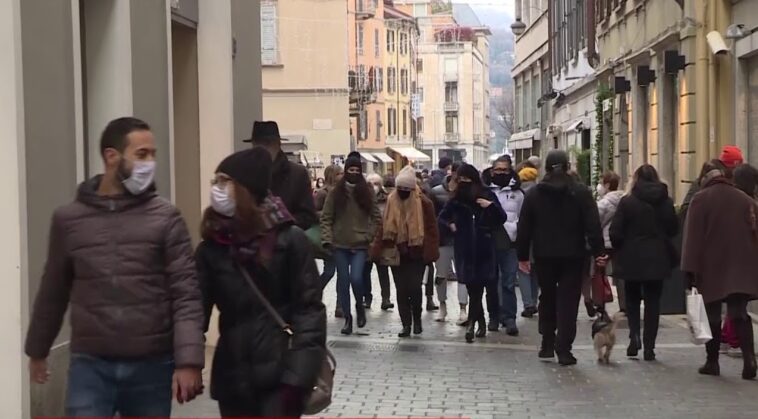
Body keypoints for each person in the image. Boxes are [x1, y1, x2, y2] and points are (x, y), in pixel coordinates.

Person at [24, 117, 204, 416]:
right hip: (91, 365)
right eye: (142, 154)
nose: (150, 163)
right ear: (111, 157)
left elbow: (186, 293)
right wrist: (37, 351)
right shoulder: (69, 220)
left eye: (153, 155)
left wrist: (188, 361)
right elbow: (53, 290)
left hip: (151, 365)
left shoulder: (166, 218)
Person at [197, 147, 326, 417]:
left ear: (245, 188)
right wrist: (187, 361)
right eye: (215, 181)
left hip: (281, 377)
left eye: (223, 181)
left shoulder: (290, 241)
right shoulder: (213, 246)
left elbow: (310, 311)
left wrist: (298, 379)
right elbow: (195, 308)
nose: (216, 188)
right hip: (233, 377)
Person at [517, 150, 605, 366]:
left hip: (544, 254)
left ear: (545, 168)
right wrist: (598, 251)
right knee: (568, 301)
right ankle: (564, 348)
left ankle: (547, 342)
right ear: (567, 167)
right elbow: (593, 225)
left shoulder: (535, 194)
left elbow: (524, 227)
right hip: (573, 255)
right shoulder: (581, 192)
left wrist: (522, 256)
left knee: (547, 296)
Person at [682, 159, 758, 380]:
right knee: (739, 313)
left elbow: (692, 240)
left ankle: (712, 361)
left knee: (713, 315)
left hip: (711, 267)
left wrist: (689, 270)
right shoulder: (745, 200)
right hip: (741, 265)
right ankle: (749, 360)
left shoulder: (700, 199)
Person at [609, 165, 677, 361]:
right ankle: (650, 347)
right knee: (653, 302)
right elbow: (673, 229)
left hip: (632, 257)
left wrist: (620, 247)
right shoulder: (665, 201)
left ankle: (634, 336)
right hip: (657, 257)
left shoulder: (627, 202)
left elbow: (616, 231)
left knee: (631, 300)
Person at [439, 164, 507, 343]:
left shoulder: (486, 194)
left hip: (484, 248)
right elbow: (442, 217)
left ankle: (475, 323)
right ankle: (478, 322)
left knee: (481, 287)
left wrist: (490, 206)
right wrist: (450, 225)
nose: (464, 183)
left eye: (467, 179)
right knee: (472, 289)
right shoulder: (456, 199)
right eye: (461, 179)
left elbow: (502, 217)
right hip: (465, 248)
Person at [371, 166, 440, 337]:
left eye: (406, 189)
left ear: (412, 189)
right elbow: (383, 227)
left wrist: (430, 252)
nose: (402, 192)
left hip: (417, 252)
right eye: (399, 188)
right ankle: (406, 325)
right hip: (395, 252)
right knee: (401, 290)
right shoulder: (391, 200)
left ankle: (417, 319)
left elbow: (432, 229)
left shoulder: (424, 203)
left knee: (415, 289)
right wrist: (376, 250)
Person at [320, 154, 382, 335]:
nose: (353, 173)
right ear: (346, 171)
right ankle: (348, 318)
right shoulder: (335, 193)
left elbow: (376, 218)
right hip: (339, 245)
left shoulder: (367, 191)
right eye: (350, 170)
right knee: (343, 282)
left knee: (356, 278)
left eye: (357, 170)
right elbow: (326, 217)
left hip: (360, 245)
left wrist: (368, 236)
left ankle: (360, 307)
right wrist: (327, 239)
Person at [244, 121, 317, 229]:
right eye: (259, 144)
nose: (263, 149)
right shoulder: (244, 173)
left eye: (268, 143)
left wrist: (281, 220)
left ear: (278, 144)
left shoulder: (297, 174)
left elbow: (308, 217)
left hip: (285, 241)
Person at [430, 162, 469, 323]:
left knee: (463, 275)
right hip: (443, 239)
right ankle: (442, 305)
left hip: (462, 239)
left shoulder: (467, 192)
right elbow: (433, 217)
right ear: (451, 173)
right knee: (441, 276)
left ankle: (462, 308)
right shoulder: (436, 192)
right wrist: (446, 225)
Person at [489, 156, 524, 335]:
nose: (501, 173)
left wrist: (519, 234)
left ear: (510, 171)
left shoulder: (518, 193)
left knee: (509, 281)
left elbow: (523, 216)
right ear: (492, 171)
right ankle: (494, 316)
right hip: (490, 241)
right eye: (498, 170)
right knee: (491, 280)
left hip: (510, 242)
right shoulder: (486, 190)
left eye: (505, 170)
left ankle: (509, 317)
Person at [314, 165, 344, 317]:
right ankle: (312, 294)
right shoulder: (322, 193)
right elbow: (314, 212)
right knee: (329, 271)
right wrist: (328, 215)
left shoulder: (344, 192)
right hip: (328, 237)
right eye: (339, 173)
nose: (342, 175)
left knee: (342, 274)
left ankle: (340, 306)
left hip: (342, 237)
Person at [365, 173, 395, 310]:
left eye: (376, 183)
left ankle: (386, 299)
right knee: (365, 271)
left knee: (383, 271)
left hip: (381, 240)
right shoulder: (361, 199)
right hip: (365, 240)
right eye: (370, 183)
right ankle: (367, 298)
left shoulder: (387, 199)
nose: (373, 187)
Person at [596, 171, 625, 311]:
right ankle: (624, 304)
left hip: (605, 241)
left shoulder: (604, 203)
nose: (600, 186)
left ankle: (601, 302)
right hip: (620, 240)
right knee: (620, 273)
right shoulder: (625, 199)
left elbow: (596, 222)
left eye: (601, 183)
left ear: (607, 185)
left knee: (601, 274)